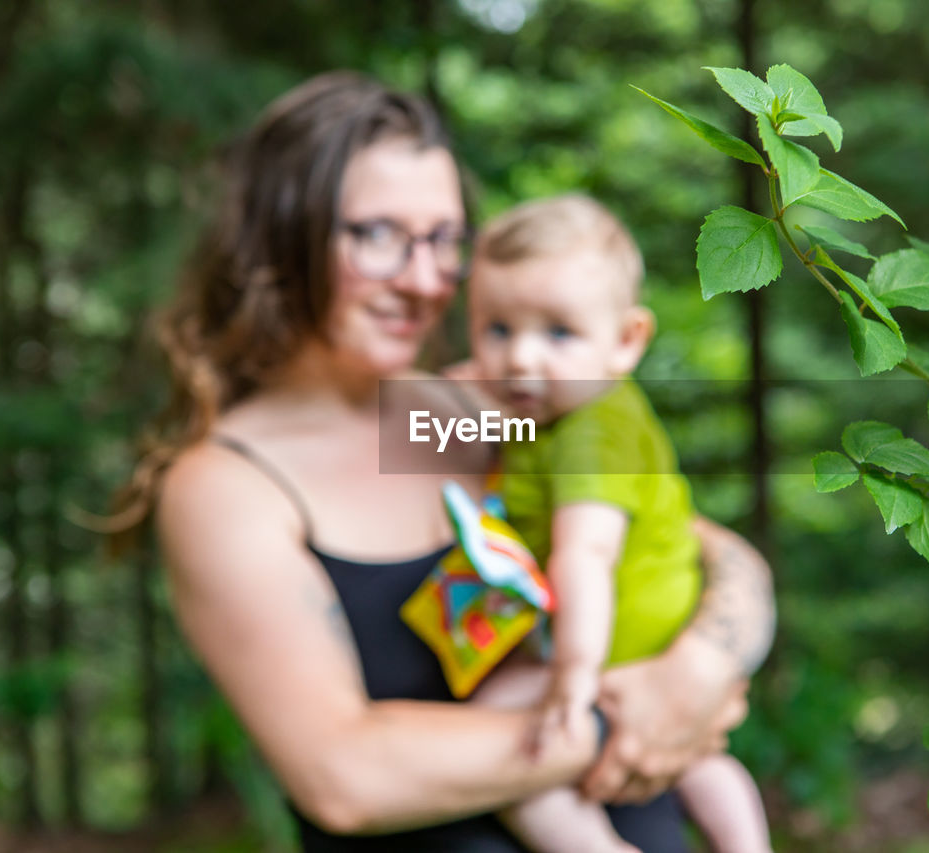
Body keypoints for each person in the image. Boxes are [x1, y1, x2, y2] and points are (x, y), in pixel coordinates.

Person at [118, 71, 776, 851]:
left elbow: (700, 547)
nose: (426, 280)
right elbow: (345, 778)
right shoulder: (231, 485)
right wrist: (626, 718)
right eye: (380, 235)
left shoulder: (480, 409)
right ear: (283, 233)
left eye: (442, 240)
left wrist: (700, 667)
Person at [464, 195, 773, 853]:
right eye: (497, 329)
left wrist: (571, 678)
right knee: (700, 762)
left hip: (612, 647)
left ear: (627, 340)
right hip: (653, 633)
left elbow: (586, 554)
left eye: (557, 333)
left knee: (493, 729)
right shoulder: (566, 408)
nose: (521, 357)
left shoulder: (590, 431)